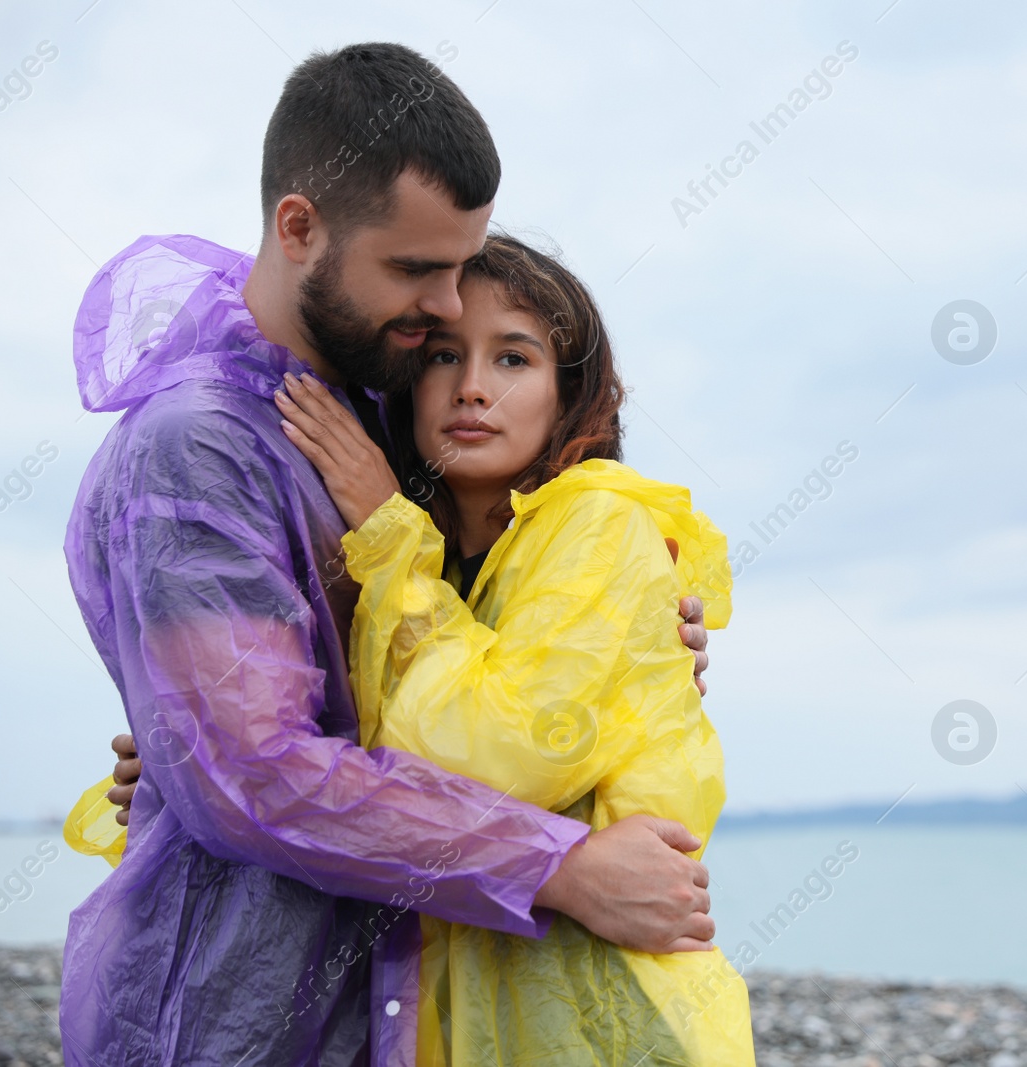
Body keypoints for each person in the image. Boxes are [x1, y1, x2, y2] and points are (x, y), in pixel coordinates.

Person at [61, 43, 716, 1067]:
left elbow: (444, 674)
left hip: (397, 1011)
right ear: (298, 227)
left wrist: (626, 651)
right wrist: (565, 864)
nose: (451, 307)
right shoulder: (197, 446)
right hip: (235, 1018)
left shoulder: (389, 418)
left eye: (462, 266)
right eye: (417, 270)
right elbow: (256, 775)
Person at [274, 233, 752, 1064]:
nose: (470, 389)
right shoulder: (436, 569)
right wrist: (204, 758)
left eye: (514, 359)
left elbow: (496, 752)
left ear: (570, 392)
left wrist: (388, 529)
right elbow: (369, 768)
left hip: (604, 1020)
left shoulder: (600, 521)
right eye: (444, 356)